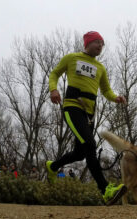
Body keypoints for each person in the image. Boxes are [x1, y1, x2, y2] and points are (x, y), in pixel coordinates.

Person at [46, 31, 127, 206]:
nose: (100, 46)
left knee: (80, 153)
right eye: (97, 42)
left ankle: (52, 166)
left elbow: (106, 90)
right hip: (72, 107)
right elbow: (54, 74)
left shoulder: (101, 68)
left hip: (90, 114)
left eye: (102, 43)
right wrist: (53, 89)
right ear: (87, 43)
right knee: (90, 145)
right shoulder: (71, 58)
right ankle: (105, 190)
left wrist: (116, 98)